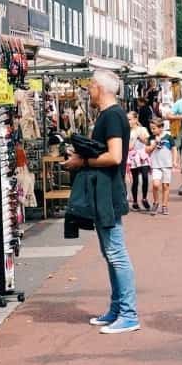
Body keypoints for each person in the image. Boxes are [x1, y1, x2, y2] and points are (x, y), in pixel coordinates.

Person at [68, 70, 140, 334]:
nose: (89, 90)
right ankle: (118, 308)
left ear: (100, 87)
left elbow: (115, 157)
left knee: (116, 254)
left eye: (91, 86)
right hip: (105, 191)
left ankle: (129, 314)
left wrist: (81, 161)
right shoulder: (111, 115)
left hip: (107, 192)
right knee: (111, 254)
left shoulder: (111, 116)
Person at [127, 127, 154, 215]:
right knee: (135, 180)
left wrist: (142, 138)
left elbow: (148, 142)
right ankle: (135, 202)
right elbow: (129, 147)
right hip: (133, 156)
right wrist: (134, 139)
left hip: (143, 156)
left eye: (130, 119)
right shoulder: (127, 130)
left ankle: (144, 198)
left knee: (145, 177)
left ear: (135, 119)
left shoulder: (143, 129)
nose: (129, 121)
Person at [149, 132, 175, 216]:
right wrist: (154, 144)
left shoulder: (168, 137)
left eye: (154, 128)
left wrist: (174, 160)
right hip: (156, 164)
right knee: (156, 184)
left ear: (160, 127)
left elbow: (174, 149)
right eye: (151, 128)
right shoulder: (151, 138)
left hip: (167, 164)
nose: (152, 130)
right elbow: (147, 150)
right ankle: (156, 202)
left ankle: (164, 205)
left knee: (165, 185)